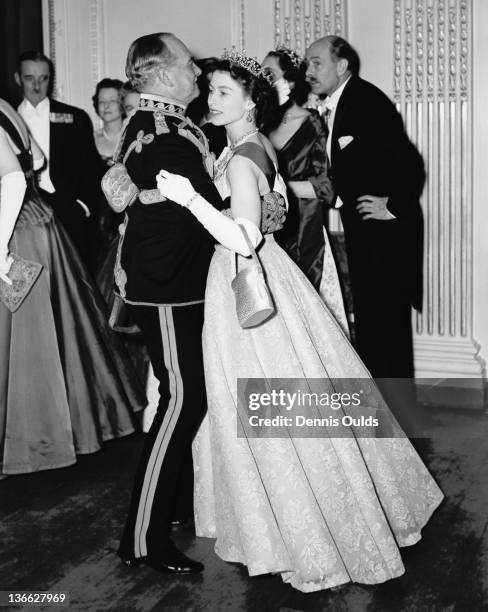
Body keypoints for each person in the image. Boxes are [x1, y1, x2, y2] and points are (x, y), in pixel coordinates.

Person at [156, 51, 443, 593]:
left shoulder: (242, 157)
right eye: (210, 90)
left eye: (222, 92)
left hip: (244, 276)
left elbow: (243, 236)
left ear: (250, 100)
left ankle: (296, 528)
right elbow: (278, 207)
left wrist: (190, 198)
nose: (210, 99)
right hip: (273, 274)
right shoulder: (255, 146)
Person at [113, 32, 226, 575]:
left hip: (170, 282)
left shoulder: (164, 126)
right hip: (168, 287)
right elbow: (210, 207)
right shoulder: (167, 135)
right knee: (183, 400)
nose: (198, 74)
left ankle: (174, 505)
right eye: (187, 65)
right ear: (160, 74)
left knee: (185, 397)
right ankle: (143, 540)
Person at [0, 98, 146, 476]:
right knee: (53, 334)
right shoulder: (6, 109)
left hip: (17, 231)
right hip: (35, 223)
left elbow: (14, 177)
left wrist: (1, 246)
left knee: (30, 344)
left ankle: (37, 439)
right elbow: (32, 164)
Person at [305, 36, 425, 379]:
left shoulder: (365, 100)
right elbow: (356, 166)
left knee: (386, 334)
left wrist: (394, 206)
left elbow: (410, 163)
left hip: (384, 238)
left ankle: (398, 425)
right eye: (307, 64)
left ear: (341, 66)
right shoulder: (345, 100)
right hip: (367, 235)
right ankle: (386, 423)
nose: (309, 71)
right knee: (375, 331)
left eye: (317, 63)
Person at [262, 46, 347, 332]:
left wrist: (278, 187)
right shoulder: (259, 125)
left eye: (268, 74)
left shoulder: (312, 124)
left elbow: (327, 187)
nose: (261, 80)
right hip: (266, 229)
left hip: (302, 231)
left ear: (291, 81)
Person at [15, 51, 102, 272]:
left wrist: (83, 206)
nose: (36, 86)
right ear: (17, 78)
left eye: (43, 78)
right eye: (29, 78)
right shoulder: (7, 118)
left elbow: (91, 167)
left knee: (73, 281)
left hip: (67, 211)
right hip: (19, 212)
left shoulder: (75, 117)